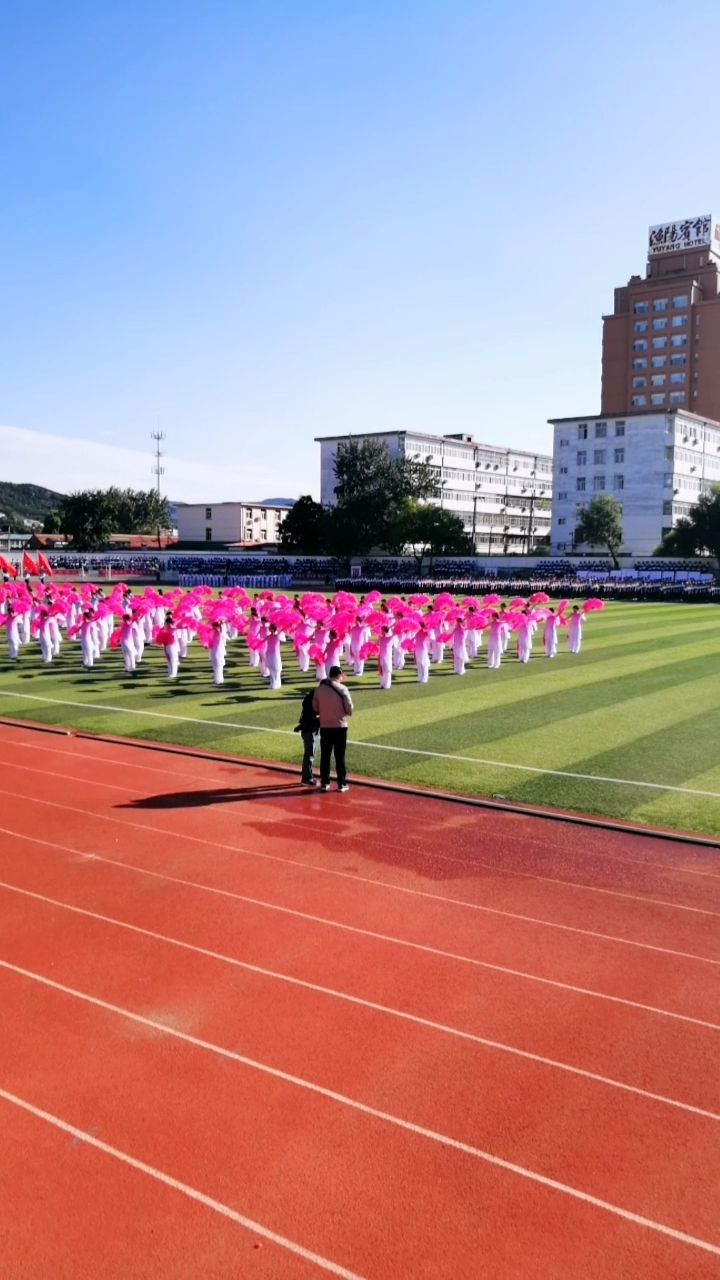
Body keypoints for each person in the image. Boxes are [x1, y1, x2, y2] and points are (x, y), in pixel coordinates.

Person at [312, 664, 353, 793]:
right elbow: (349, 709)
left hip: (325, 726)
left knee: (325, 755)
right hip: (340, 726)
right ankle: (342, 783)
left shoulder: (320, 690)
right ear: (339, 676)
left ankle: (325, 783)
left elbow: (315, 707)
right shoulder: (343, 689)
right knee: (340, 756)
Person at [294, 687, 321, 786]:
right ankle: (307, 778)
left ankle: (307, 776)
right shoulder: (313, 702)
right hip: (310, 730)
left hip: (308, 729)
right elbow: (314, 717)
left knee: (309, 753)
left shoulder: (309, 699)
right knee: (310, 754)